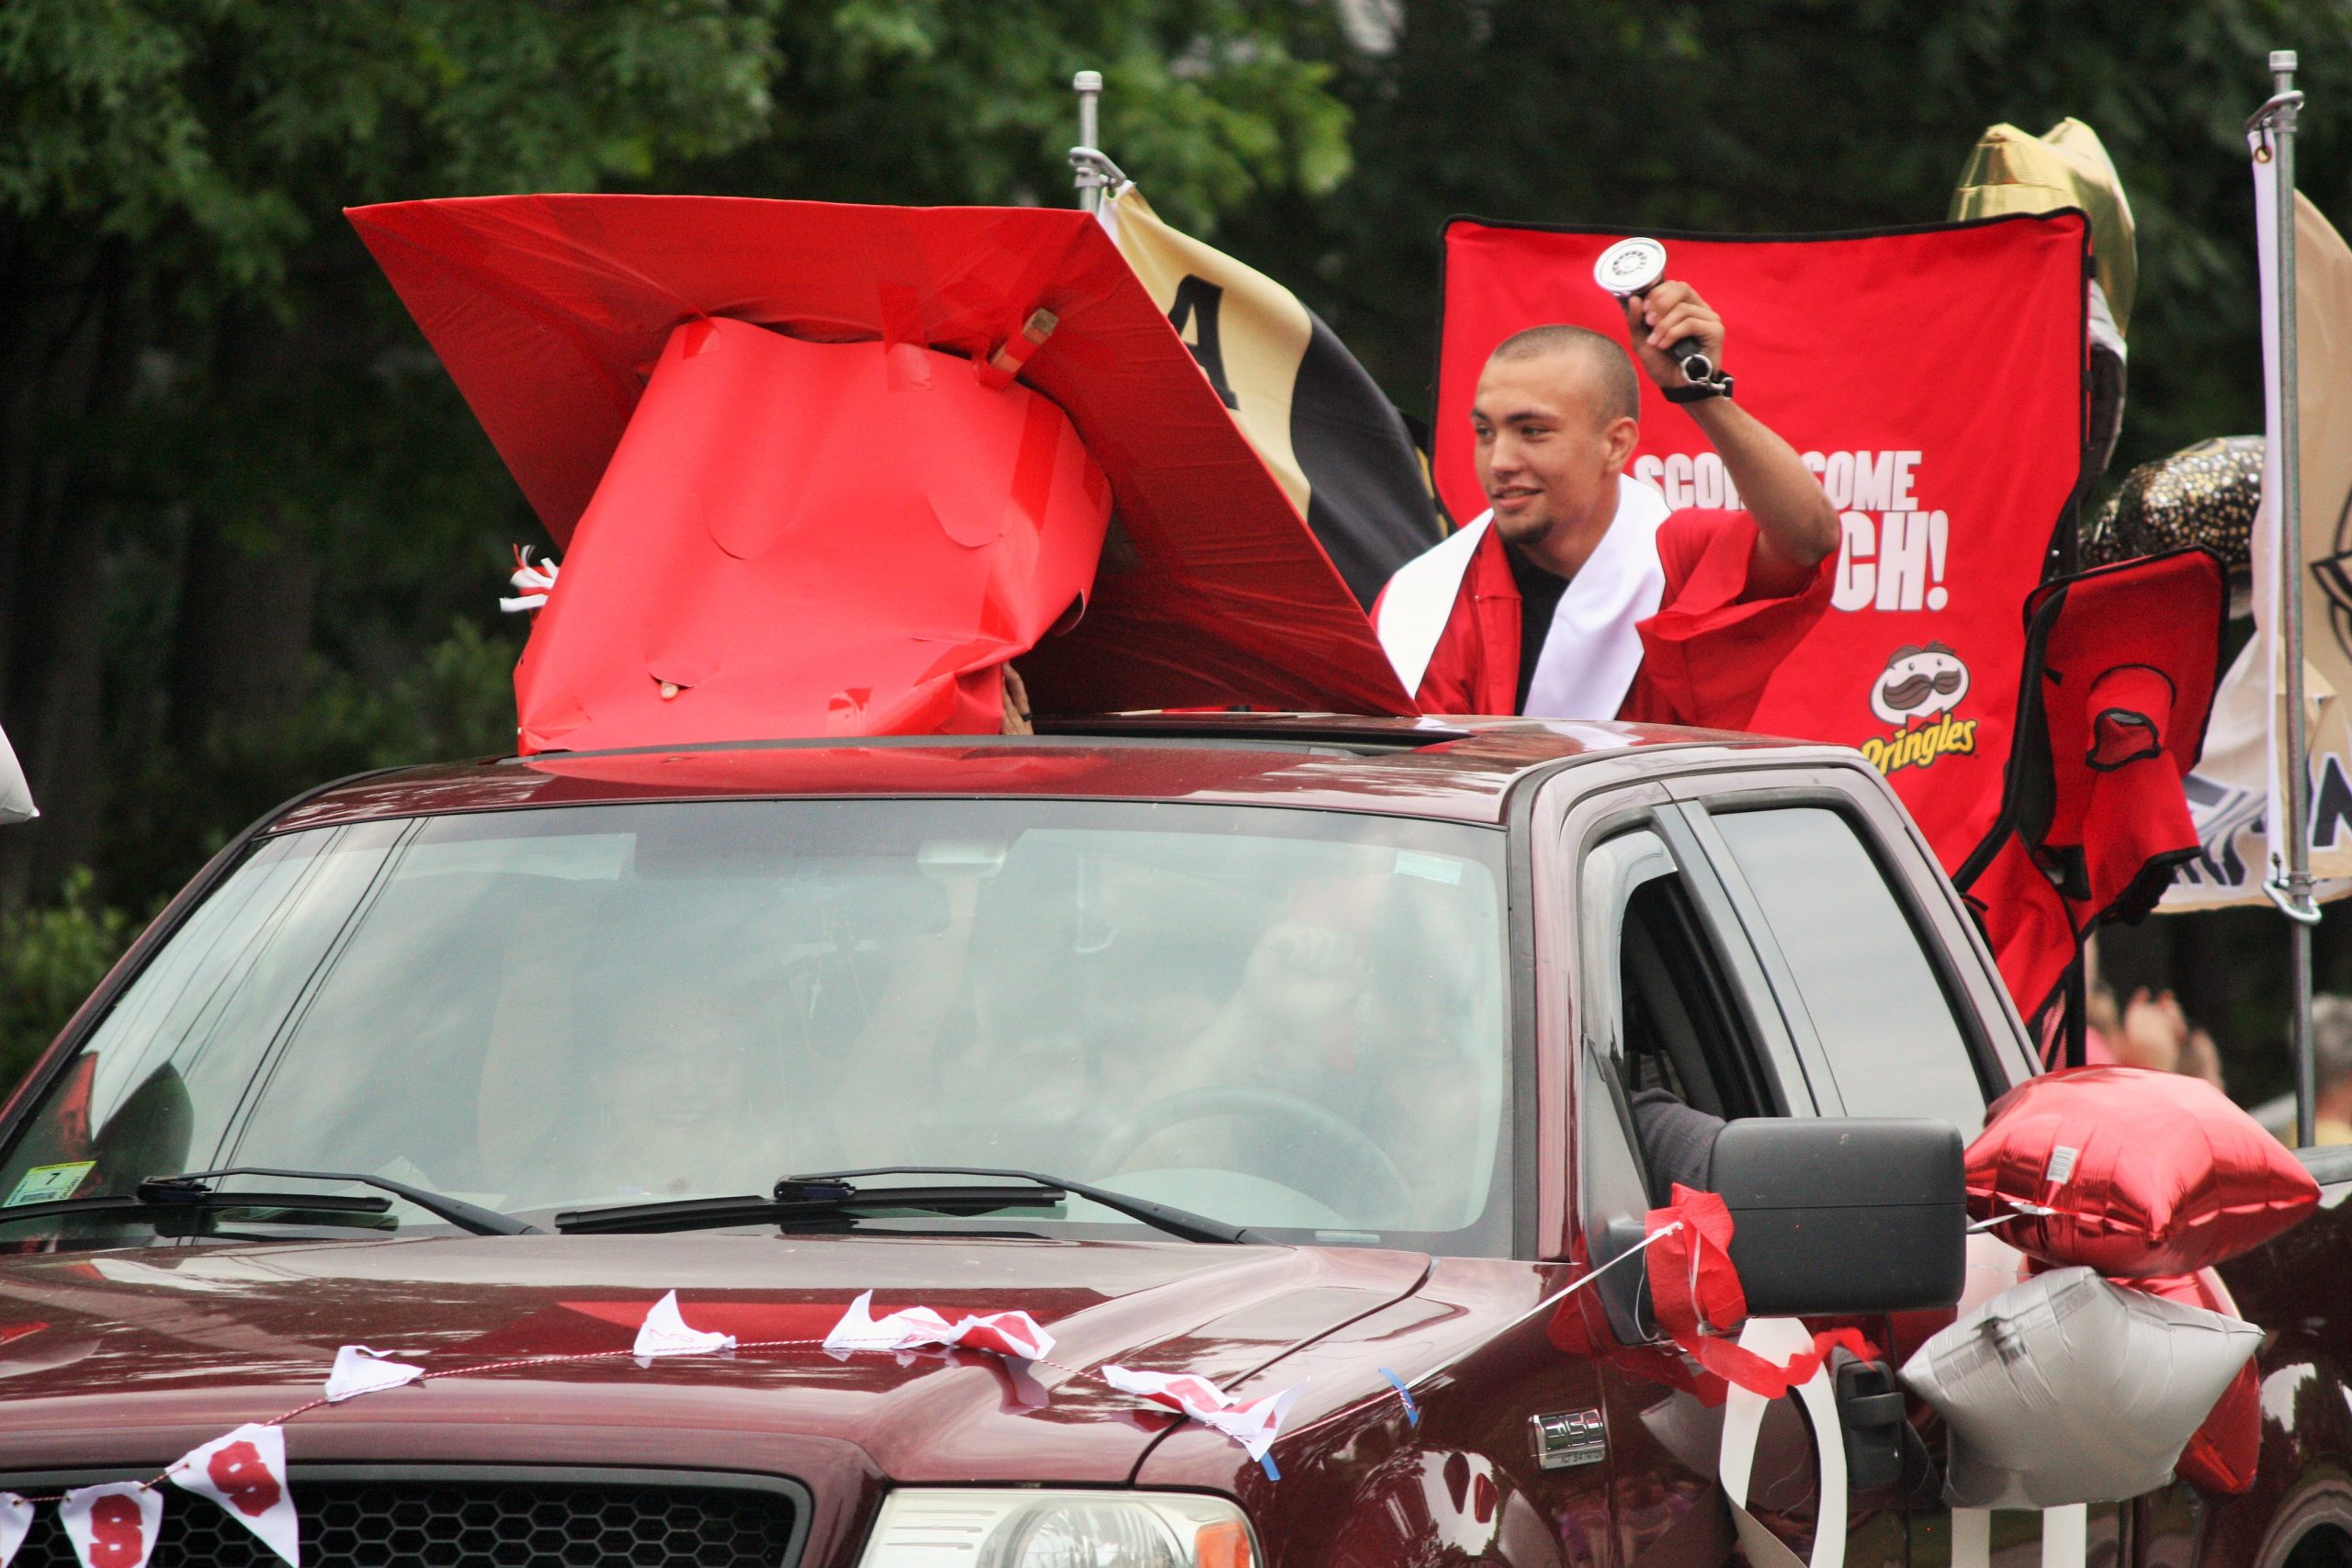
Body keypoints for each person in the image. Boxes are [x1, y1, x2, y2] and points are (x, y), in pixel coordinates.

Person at [1374, 284, 1839, 717]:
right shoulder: (1426, 598)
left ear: (1616, 445)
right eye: (1485, 432)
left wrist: (1700, 393)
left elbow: (1809, 539)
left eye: (1532, 431)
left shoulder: (1672, 558)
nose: (1499, 461)